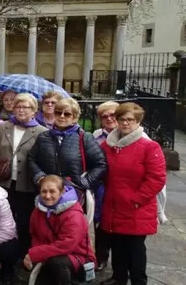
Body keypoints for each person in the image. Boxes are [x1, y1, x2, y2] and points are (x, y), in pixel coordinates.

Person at [99, 103, 166, 285]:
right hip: (113, 204)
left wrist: (136, 200)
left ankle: (138, 280)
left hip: (135, 207)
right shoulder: (108, 146)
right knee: (117, 244)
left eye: (130, 119)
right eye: (122, 119)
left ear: (138, 122)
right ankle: (119, 277)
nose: (125, 123)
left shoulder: (149, 147)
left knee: (135, 248)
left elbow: (157, 178)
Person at [0, 93, 47, 256]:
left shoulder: (42, 132)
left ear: (34, 110)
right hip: (3, 182)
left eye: (25, 107)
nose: (21, 110)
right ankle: (4, 251)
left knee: (25, 220)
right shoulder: (2, 127)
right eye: (18, 106)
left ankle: (22, 252)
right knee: (2, 219)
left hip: (26, 184)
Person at [25, 175, 96, 285]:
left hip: (77, 255)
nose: (47, 196)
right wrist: (37, 255)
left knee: (56, 263)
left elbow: (66, 245)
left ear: (62, 192)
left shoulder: (73, 215)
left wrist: (36, 253)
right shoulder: (38, 210)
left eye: (52, 191)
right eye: (44, 191)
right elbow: (35, 234)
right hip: (52, 252)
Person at [29, 98, 107, 194]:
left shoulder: (84, 137)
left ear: (74, 118)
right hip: (48, 193)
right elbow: (31, 159)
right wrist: (40, 177)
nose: (62, 116)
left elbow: (100, 164)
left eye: (67, 114)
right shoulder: (43, 136)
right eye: (58, 113)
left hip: (74, 192)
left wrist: (85, 182)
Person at [92, 100, 119, 271]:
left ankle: (120, 265)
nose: (109, 118)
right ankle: (101, 257)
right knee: (100, 223)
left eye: (112, 115)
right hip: (101, 185)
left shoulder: (130, 135)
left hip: (120, 186)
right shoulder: (96, 135)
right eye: (104, 116)